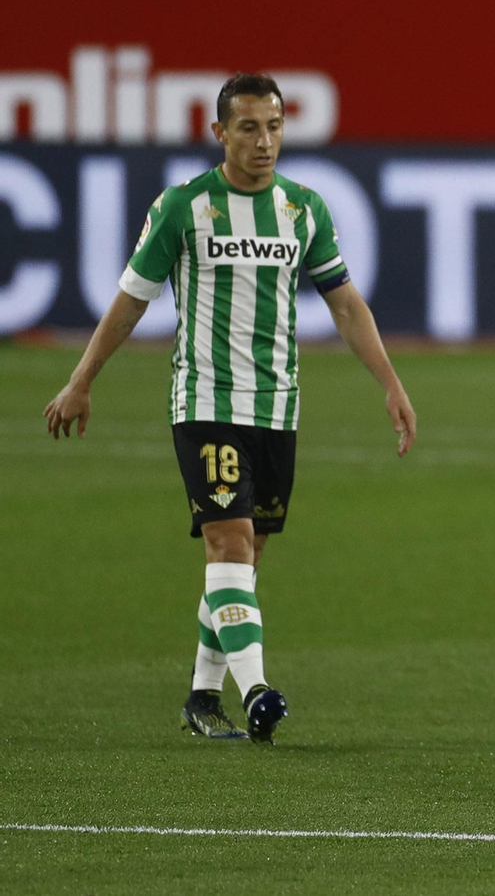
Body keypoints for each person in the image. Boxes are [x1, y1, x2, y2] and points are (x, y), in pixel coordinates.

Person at [43, 73, 417, 745]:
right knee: (228, 541)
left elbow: (344, 302)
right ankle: (259, 692)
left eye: (273, 126)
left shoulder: (304, 210)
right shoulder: (185, 207)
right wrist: (82, 379)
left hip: (277, 407)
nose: (264, 140)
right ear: (220, 133)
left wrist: (389, 381)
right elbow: (132, 298)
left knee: (242, 563)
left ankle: (201, 697)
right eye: (248, 127)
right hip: (206, 401)